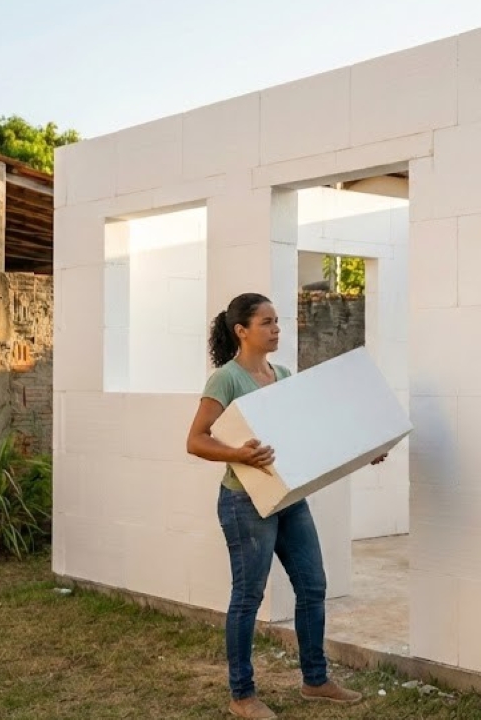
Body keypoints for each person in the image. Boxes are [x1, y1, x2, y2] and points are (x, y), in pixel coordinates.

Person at [186, 292, 383, 719]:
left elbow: (306, 432)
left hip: (288, 496)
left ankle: (315, 680)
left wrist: (365, 447)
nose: (277, 329)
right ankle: (242, 695)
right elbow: (196, 440)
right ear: (242, 331)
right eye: (267, 323)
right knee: (248, 596)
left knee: (312, 585)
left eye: (277, 321)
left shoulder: (283, 375)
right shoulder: (226, 379)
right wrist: (238, 454)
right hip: (244, 502)